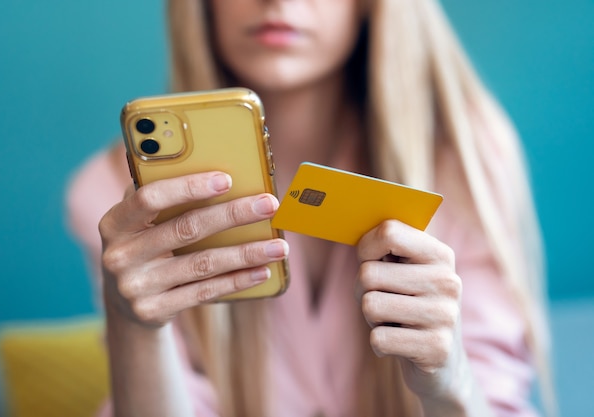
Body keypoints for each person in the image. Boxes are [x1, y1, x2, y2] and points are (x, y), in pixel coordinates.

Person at [67, 0, 553, 416]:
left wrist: (450, 380)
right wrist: (134, 328)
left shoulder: (467, 157)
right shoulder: (116, 196)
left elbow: (498, 397)